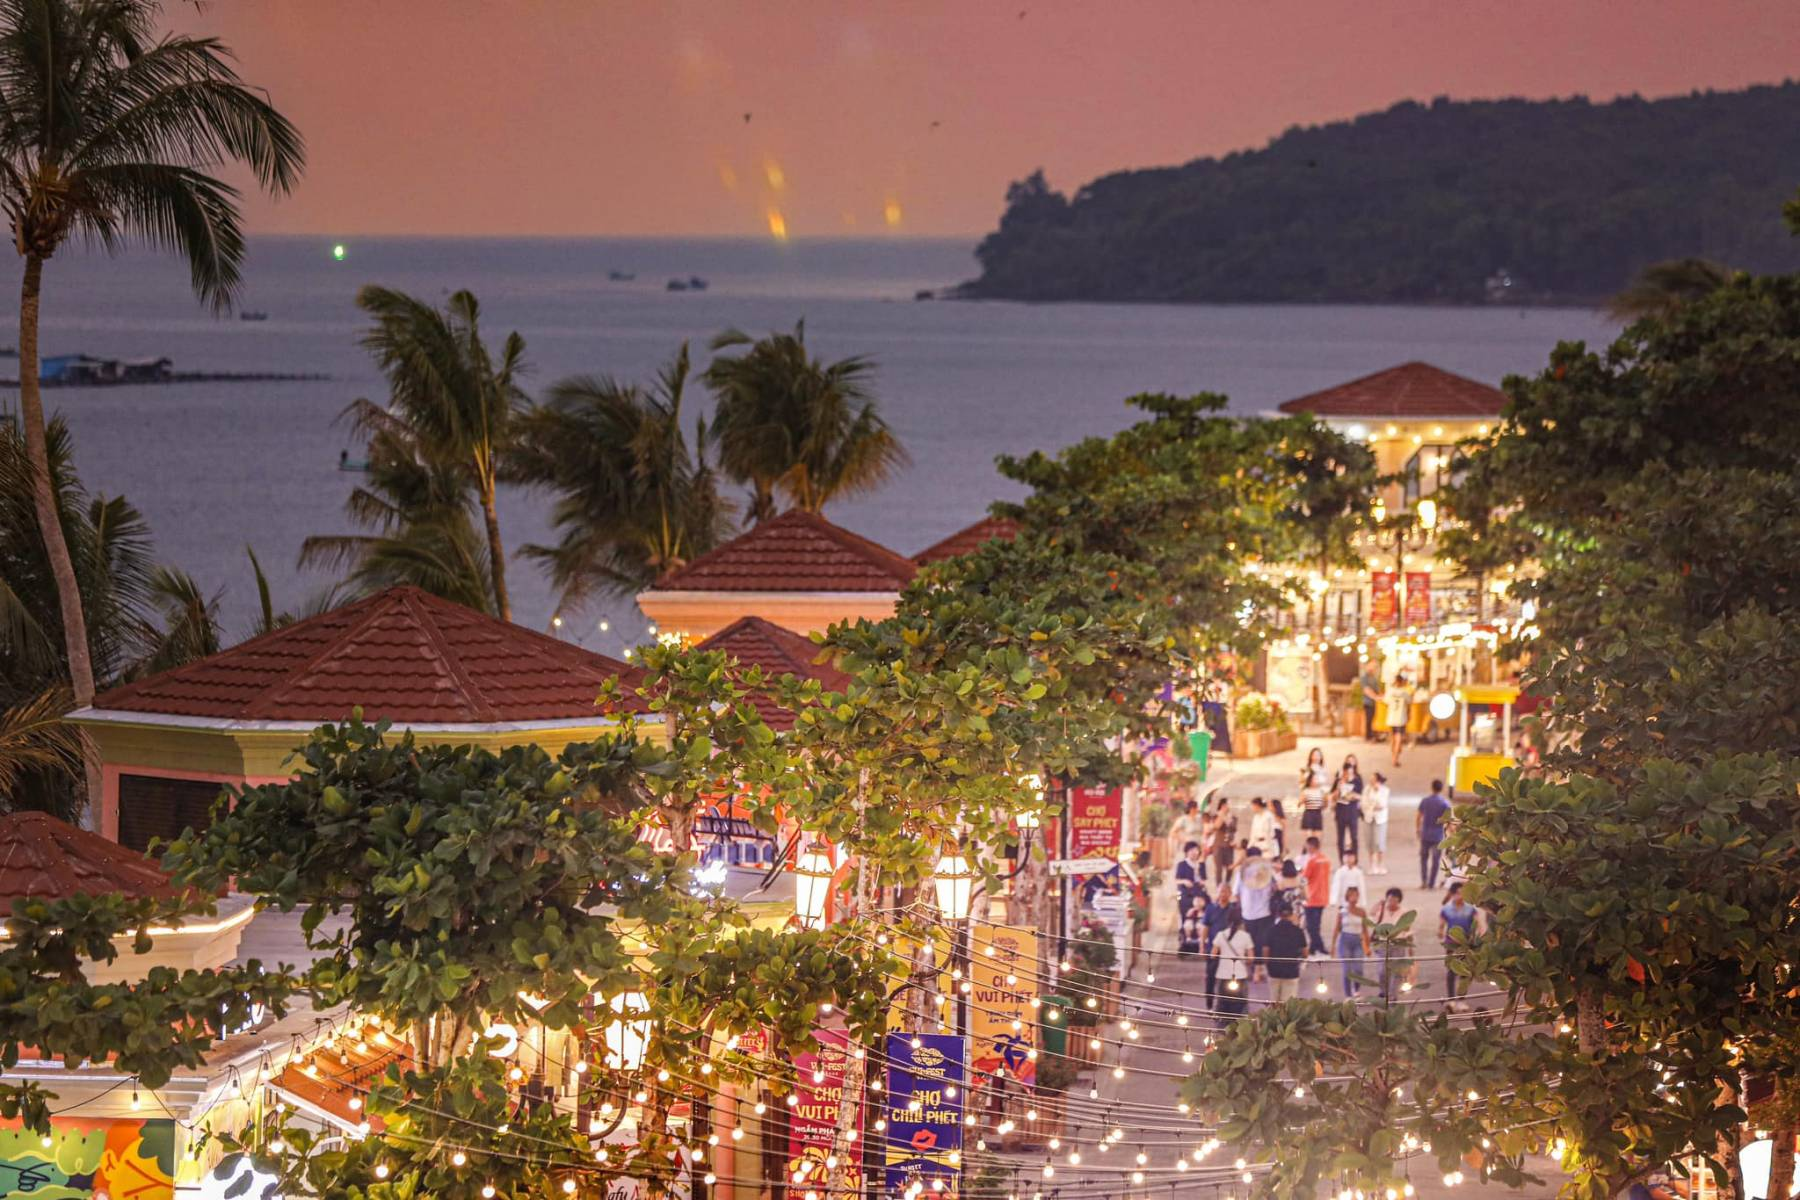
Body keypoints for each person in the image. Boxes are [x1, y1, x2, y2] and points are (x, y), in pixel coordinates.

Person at [1438, 882, 1481, 1011]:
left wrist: (1479, 937)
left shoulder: (1470, 909)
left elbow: (1479, 924)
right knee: (1451, 972)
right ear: (1452, 894)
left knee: (1465, 972)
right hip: (1451, 944)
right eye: (1457, 893)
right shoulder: (1446, 909)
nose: (1460, 896)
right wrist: (1440, 933)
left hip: (1467, 945)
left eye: (1462, 893)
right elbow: (1441, 926)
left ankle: (1462, 1000)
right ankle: (1451, 999)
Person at [1236, 847, 1277, 978]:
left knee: (1251, 942)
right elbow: (1276, 888)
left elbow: (1236, 893)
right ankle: (1258, 970)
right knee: (1261, 942)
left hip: (1248, 912)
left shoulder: (1241, 872)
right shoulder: (1268, 870)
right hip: (1264, 912)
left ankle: (1254, 969)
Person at [1211, 904, 1256, 1018]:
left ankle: (1222, 1020)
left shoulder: (1221, 935)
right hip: (1240, 974)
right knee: (1241, 1003)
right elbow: (1251, 958)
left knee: (1222, 1002)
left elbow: (1213, 955)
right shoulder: (1246, 936)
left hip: (1223, 974)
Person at [1370, 885, 1410, 1001]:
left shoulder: (1404, 912)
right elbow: (1371, 913)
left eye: (1394, 899)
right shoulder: (1382, 910)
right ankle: (1383, 991)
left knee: (1396, 971)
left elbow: (1407, 928)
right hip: (1383, 943)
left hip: (1398, 943)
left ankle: (1393, 994)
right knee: (1382, 970)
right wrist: (1379, 903)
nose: (1392, 902)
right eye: (1390, 899)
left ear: (1399, 900)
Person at [1264, 902, 1309, 1004]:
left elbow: (1265, 951)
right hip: (1291, 971)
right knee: (1288, 1004)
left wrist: (1268, 964)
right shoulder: (1298, 931)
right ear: (1292, 914)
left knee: (1274, 1002)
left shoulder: (1271, 930)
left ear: (1278, 914)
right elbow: (1305, 953)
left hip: (1274, 971)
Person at [1335, 885, 1371, 998]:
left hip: (1357, 941)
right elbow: (1337, 928)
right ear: (1347, 897)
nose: (1354, 898)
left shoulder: (1362, 911)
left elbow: (1365, 929)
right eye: (1352, 895)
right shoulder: (1342, 911)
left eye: (1356, 895)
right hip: (1345, 940)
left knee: (1359, 969)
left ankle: (1356, 989)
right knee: (1347, 970)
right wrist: (1332, 946)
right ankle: (1348, 995)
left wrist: (1368, 946)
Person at [1417, 779, 1452, 889]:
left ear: (1432, 787)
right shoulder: (1445, 803)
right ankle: (1431, 883)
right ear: (1441, 789)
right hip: (1438, 835)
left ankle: (1424, 881)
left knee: (1423, 859)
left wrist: (1418, 829)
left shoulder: (1425, 801)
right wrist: (1450, 835)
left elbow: (1419, 816)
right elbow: (1448, 821)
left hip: (1425, 834)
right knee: (1436, 860)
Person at [1202, 885, 1233, 1008]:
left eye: (1225, 892)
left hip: (1229, 951)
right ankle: (1209, 1005)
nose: (1223, 894)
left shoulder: (1234, 909)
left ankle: (1225, 1006)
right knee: (1210, 978)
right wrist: (1202, 945)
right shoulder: (1210, 908)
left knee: (1228, 979)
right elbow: (1205, 928)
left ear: (1230, 893)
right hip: (1213, 949)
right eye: (1220, 892)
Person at [1300, 836, 1331, 959]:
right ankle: (1312, 950)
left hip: (1311, 898)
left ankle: (1321, 949)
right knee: (1316, 925)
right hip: (1323, 897)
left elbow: (1304, 878)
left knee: (1311, 927)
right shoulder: (1326, 860)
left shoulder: (1312, 861)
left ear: (1311, 846)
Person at [1332, 761, 1362, 861]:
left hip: (1352, 812)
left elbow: (1361, 796)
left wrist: (1353, 795)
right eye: (1347, 773)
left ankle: (1354, 860)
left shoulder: (1357, 781)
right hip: (1340, 812)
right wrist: (1339, 787)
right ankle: (1342, 860)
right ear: (1344, 772)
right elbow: (1333, 797)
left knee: (1354, 837)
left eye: (1351, 773)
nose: (1349, 775)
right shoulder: (1338, 781)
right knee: (1340, 838)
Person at [1364, 772, 1391, 875]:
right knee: (1370, 842)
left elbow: (1383, 804)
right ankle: (1372, 865)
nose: (1371, 781)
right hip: (1369, 817)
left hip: (1380, 819)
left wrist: (1377, 791)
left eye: (1373, 779)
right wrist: (1372, 807)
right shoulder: (1367, 789)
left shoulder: (1385, 790)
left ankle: (1381, 865)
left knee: (1379, 843)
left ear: (1378, 780)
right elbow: (1364, 803)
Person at [1384, 672, 1412, 767]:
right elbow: (1409, 702)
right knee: (1398, 739)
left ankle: (1393, 756)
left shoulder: (1390, 691)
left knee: (1393, 738)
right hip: (1401, 718)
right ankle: (1395, 759)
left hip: (1391, 717)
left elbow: (1385, 702)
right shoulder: (1405, 692)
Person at [1299, 748, 1329, 835]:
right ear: (1311, 756)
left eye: (1318, 755)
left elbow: (1326, 785)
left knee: (1318, 832)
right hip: (1309, 798)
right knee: (1308, 833)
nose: (1316, 757)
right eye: (1314, 755)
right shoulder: (1306, 769)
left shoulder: (1323, 770)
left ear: (1321, 757)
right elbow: (1301, 784)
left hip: (1319, 799)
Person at [1175, 840, 1206, 922]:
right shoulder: (1182, 864)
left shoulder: (1201, 865)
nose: (1194, 852)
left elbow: (1204, 880)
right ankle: (1185, 924)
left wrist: (1202, 882)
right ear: (1187, 852)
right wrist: (1184, 881)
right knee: (1181, 899)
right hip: (1184, 891)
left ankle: (1200, 924)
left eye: (1196, 850)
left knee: (1206, 901)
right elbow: (1176, 880)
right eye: (1191, 850)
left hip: (1198, 890)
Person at [1210, 797, 1237, 885]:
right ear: (1222, 805)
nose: (1229, 806)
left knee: (1230, 867)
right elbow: (1216, 826)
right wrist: (1222, 815)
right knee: (1219, 868)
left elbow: (1234, 830)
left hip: (1229, 845)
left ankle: (1227, 884)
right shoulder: (1216, 816)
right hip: (1218, 845)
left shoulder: (1233, 817)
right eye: (1227, 804)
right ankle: (1219, 886)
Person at [1169, 799, 1204, 865]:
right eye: (1195, 808)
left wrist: (1203, 846)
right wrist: (1183, 840)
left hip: (1198, 848)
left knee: (1197, 867)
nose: (1197, 809)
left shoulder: (1199, 819)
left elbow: (1202, 834)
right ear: (1191, 809)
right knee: (1189, 866)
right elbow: (1172, 832)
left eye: (1197, 808)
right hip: (1188, 848)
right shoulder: (1183, 819)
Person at [1359, 663, 1382, 743]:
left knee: (1374, 719)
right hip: (1368, 702)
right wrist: (1375, 697)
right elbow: (1366, 690)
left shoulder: (1374, 678)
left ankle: (1374, 735)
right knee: (1369, 719)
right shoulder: (1364, 678)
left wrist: (1380, 696)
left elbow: (1377, 689)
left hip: (1375, 702)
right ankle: (1368, 736)